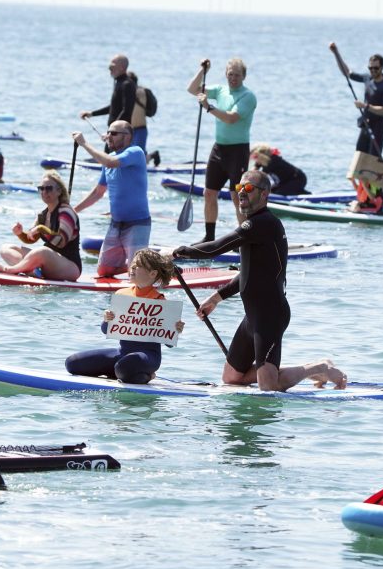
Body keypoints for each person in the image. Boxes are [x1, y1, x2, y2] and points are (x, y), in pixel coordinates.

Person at [172, 170, 348, 392]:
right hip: (252, 317)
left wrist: (177, 252)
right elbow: (247, 274)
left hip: (270, 317)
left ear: (264, 194)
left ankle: (317, 367)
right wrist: (216, 298)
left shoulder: (261, 224)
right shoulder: (254, 226)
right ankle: (292, 370)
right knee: (231, 378)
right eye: (239, 188)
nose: (241, 193)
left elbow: (215, 248)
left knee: (269, 386)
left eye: (248, 188)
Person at [65, 249, 185, 384]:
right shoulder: (122, 294)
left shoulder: (159, 302)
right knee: (72, 363)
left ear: (152, 273)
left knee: (124, 367)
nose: (132, 268)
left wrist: (176, 330)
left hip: (148, 357)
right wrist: (107, 320)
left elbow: (169, 343)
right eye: (132, 265)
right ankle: (118, 372)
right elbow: (106, 330)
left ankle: (147, 375)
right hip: (122, 354)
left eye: (138, 266)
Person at [186, 58, 257, 241]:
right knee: (209, 193)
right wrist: (203, 70)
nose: (233, 78)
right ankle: (209, 237)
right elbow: (192, 89)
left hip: (238, 151)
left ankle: (243, 238)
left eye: (237, 75)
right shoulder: (220, 90)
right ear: (226, 74)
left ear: (244, 76)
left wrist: (208, 107)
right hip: (219, 149)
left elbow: (231, 118)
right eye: (230, 74)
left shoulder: (247, 96)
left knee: (236, 196)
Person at [73, 121, 150, 278]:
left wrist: (84, 143)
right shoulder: (108, 159)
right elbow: (98, 192)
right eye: (108, 133)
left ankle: (146, 268)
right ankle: (137, 267)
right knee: (103, 272)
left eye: (113, 133)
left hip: (137, 224)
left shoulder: (135, 152)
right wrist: (73, 211)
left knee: (137, 276)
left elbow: (110, 162)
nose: (108, 136)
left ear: (128, 137)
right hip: (115, 225)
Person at [0, 171, 82, 281]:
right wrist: (20, 233)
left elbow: (61, 242)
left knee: (41, 251)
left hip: (69, 267)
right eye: (41, 188)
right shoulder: (42, 215)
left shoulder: (67, 212)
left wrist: (40, 229)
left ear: (59, 191)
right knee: (5, 248)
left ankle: (9, 270)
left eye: (48, 188)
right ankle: (32, 271)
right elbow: (30, 238)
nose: (44, 192)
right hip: (47, 261)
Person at [329, 42, 383, 157]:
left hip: (378, 127)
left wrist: (365, 106)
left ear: (382, 68)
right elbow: (347, 73)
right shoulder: (367, 78)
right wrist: (336, 53)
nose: (372, 70)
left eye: (376, 68)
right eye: (370, 68)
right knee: (359, 156)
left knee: (372, 159)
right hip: (366, 124)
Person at [79, 54, 137, 143]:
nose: (109, 69)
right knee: (107, 156)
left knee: (110, 157)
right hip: (115, 133)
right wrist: (92, 114)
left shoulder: (127, 84)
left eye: (112, 67)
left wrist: (113, 132)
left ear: (121, 67)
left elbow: (126, 111)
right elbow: (114, 107)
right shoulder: (119, 82)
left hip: (120, 135)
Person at [127, 70, 160, 164]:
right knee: (132, 157)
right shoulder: (125, 93)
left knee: (139, 160)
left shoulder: (141, 92)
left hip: (140, 129)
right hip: (128, 131)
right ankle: (152, 155)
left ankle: (153, 155)